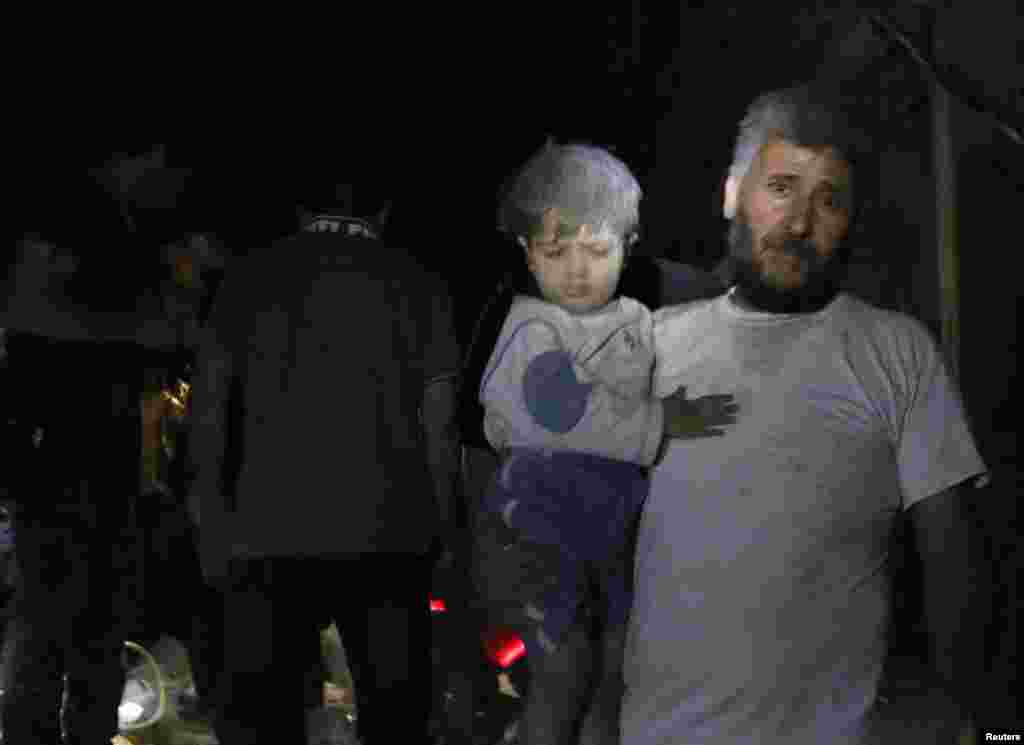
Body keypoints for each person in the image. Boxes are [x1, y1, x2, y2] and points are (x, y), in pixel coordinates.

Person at [620, 84, 991, 744]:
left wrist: (970, 718)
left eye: (829, 199)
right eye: (781, 186)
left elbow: (952, 561)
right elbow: (588, 546)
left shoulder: (897, 351)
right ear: (734, 195)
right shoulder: (651, 347)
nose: (799, 223)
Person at [472, 142, 737, 745]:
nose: (576, 269)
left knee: (616, 676)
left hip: (618, 530)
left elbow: (694, 325)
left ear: (628, 243)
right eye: (554, 251)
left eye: (596, 249)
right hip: (542, 531)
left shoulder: (635, 322)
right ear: (526, 252)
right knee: (564, 673)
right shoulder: (528, 328)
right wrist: (661, 421)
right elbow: (562, 413)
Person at [188, 182, 461, 745]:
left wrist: (208, 519)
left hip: (264, 530)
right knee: (395, 719)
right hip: (390, 533)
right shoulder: (417, 281)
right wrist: (448, 529)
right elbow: (439, 421)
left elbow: (210, 410)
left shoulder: (249, 277)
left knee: (266, 718)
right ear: (384, 207)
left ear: (299, 206)